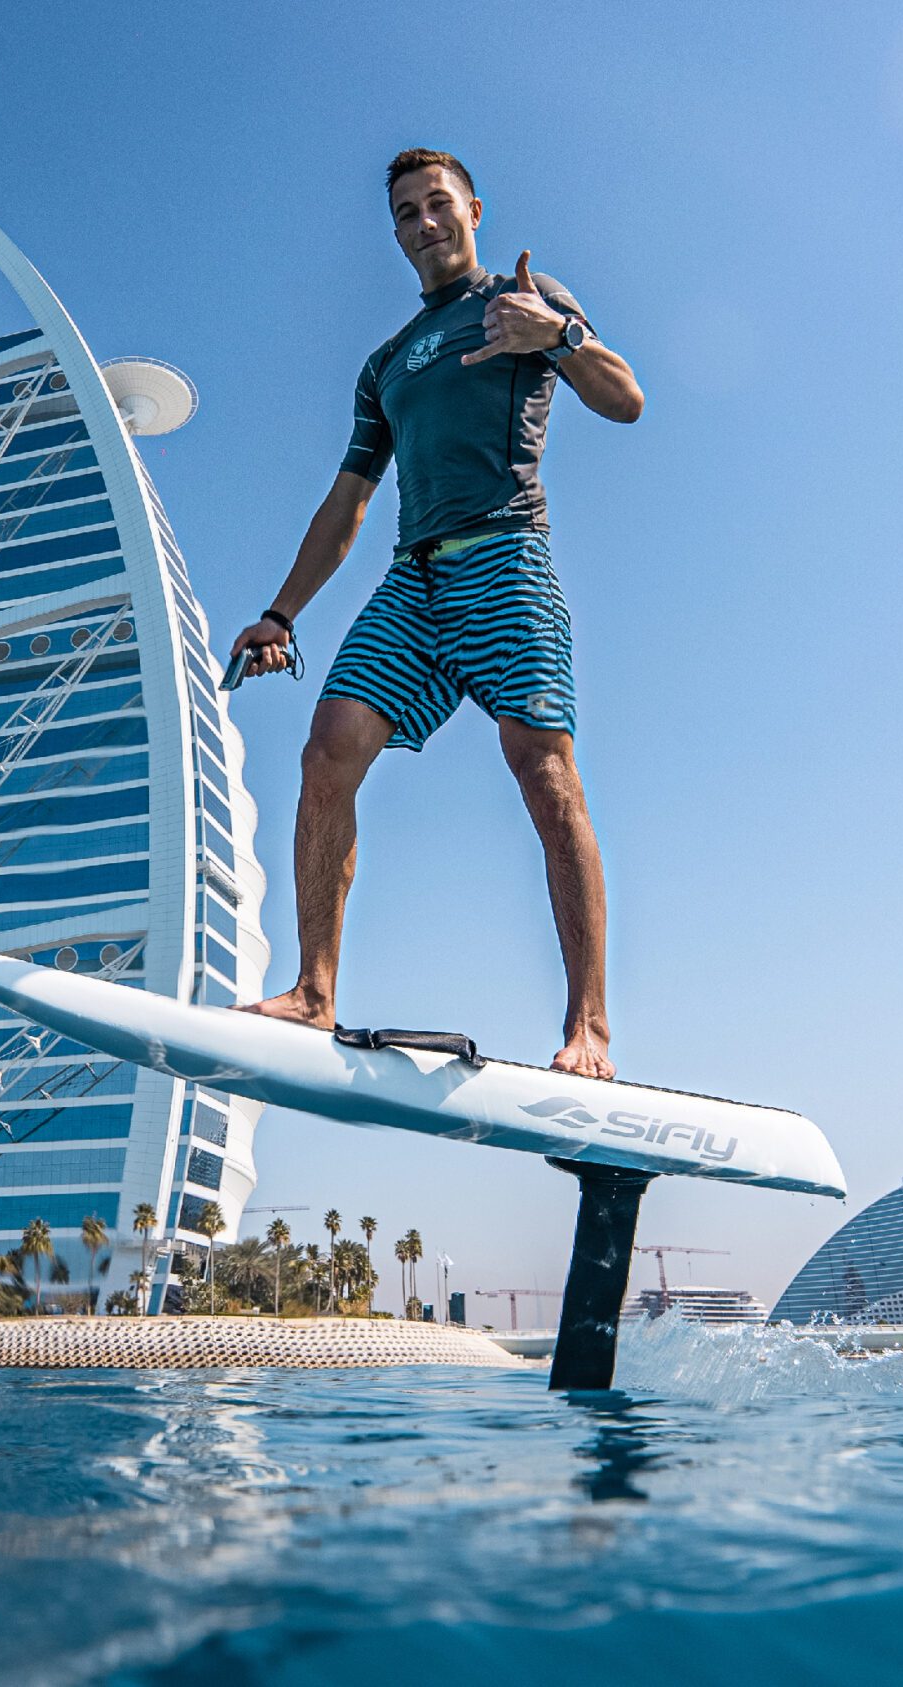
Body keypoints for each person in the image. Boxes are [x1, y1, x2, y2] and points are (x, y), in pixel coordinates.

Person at [231, 147, 643, 1079]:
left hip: (506, 554)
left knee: (544, 771)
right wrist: (282, 613)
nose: (425, 223)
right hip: (414, 580)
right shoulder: (384, 367)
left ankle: (590, 1029)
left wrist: (558, 338)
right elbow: (347, 501)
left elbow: (626, 401)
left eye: (440, 204)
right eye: (408, 212)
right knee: (327, 745)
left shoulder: (526, 301)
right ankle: (314, 992)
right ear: (396, 232)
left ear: (474, 210)